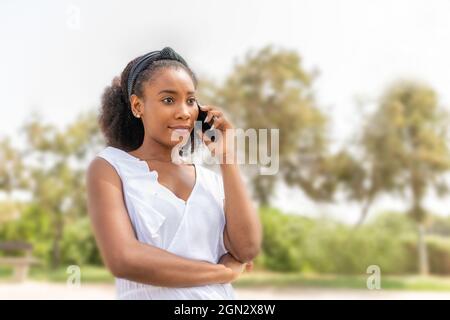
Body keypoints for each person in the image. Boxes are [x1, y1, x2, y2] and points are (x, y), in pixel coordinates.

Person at [86, 47, 262, 299]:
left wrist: (226, 157)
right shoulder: (111, 168)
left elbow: (247, 249)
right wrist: (222, 272)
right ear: (137, 105)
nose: (184, 112)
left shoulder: (210, 181)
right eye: (169, 100)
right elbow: (124, 259)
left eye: (190, 100)